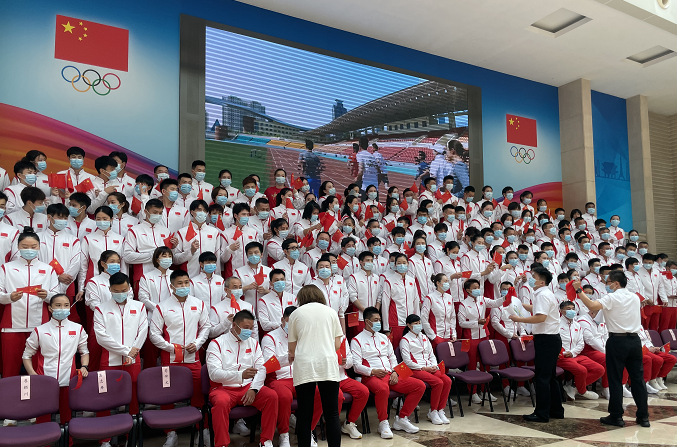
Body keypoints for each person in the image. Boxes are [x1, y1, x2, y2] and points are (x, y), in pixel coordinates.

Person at [572, 270, 650, 427]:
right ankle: (643, 417)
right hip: (634, 341)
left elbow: (591, 305)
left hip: (617, 340)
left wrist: (579, 290)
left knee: (615, 379)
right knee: (637, 379)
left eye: (608, 282)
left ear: (616, 283)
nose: (606, 285)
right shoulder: (634, 297)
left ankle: (616, 416)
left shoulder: (611, 297)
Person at [149, 269, 211, 447]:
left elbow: (206, 327)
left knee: (199, 395)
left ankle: (202, 430)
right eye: (180, 283)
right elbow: (154, 334)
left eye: (186, 282)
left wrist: (197, 343)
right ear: (172, 286)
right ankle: (171, 433)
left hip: (193, 358)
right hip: (170, 359)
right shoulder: (162, 307)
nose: (184, 286)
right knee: (167, 397)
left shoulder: (199, 304)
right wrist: (171, 347)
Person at [206, 309, 279, 447]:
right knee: (221, 402)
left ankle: (266, 441)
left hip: (248, 387)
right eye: (246, 327)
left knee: (271, 396)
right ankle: (222, 444)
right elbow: (214, 374)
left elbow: (261, 369)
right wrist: (240, 375)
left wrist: (254, 389)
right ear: (234, 325)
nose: (249, 331)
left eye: (251, 328)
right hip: (223, 388)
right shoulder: (216, 343)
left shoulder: (254, 343)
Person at [351, 307, 425, 438]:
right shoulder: (357, 340)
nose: (378, 322)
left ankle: (402, 418)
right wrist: (372, 371)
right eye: (375, 320)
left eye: (379, 320)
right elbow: (356, 366)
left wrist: (395, 371)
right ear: (367, 321)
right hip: (372, 376)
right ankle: (383, 423)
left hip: (390, 373)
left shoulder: (384, 338)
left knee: (419, 385)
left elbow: (392, 358)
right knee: (383, 389)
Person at [288, 285, 344, 447]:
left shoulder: (296, 314)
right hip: (327, 363)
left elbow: (292, 348)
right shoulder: (331, 312)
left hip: (304, 364)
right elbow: (337, 344)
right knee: (332, 413)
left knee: (304, 414)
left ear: (301, 297)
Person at [0, 227, 59, 378]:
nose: (29, 250)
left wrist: (47, 296)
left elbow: (57, 296)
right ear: (18, 247)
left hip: (39, 325)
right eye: (25, 247)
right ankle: (9, 393)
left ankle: (37, 393)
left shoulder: (48, 270)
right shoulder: (6, 268)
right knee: (10, 369)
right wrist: (9, 297)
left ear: (39, 247)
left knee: (37, 369)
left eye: (33, 247)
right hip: (12, 326)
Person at [22, 294, 89, 426]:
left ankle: (68, 438)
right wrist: (33, 374)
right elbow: (26, 356)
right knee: (43, 418)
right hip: (44, 380)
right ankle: (43, 438)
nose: (62, 308)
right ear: (50, 308)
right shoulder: (40, 330)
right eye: (58, 305)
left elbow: (84, 352)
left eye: (66, 305)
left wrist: (84, 366)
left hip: (68, 379)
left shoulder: (78, 329)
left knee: (67, 419)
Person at [509, 267, 564, 422]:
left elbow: (540, 317)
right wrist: (519, 305)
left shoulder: (542, 295)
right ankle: (556, 410)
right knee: (550, 376)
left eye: (534, 277)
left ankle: (542, 413)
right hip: (551, 339)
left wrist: (519, 319)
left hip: (546, 339)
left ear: (541, 282)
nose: (531, 279)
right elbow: (537, 309)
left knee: (542, 377)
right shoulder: (546, 293)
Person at [262, 306, 322, 447]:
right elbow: (268, 363)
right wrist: (288, 356)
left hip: (301, 376)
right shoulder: (270, 337)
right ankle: (284, 434)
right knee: (284, 396)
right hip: (278, 378)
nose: (293, 325)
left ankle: (308, 430)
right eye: (290, 321)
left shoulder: (305, 336)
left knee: (319, 393)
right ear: (283, 320)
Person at [93, 272, 147, 415]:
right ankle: (105, 428)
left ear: (129, 288)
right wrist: (126, 351)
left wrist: (132, 352)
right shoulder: (101, 309)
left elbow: (142, 331)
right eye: (116, 291)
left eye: (124, 290)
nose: (120, 294)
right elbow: (101, 337)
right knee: (105, 392)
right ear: (109, 289)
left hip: (133, 357)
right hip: (110, 358)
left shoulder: (139, 307)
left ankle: (133, 424)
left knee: (133, 392)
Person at [399, 314, 452, 424]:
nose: (418, 325)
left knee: (447, 381)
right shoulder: (405, 340)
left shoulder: (424, 337)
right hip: (415, 369)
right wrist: (423, 368)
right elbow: (407, 361)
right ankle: (433, 411)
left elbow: (431, 354)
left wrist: (434, 366)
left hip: (429, 367)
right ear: (409, 325)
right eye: (415, 323)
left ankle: (440, 410)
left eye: (419, 323)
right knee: (438, 382)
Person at [557, 301, 604, 400]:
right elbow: (555, 342)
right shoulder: (556, 324)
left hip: (575, 355)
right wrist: (565, 353)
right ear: (561, 311)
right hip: (562, 357)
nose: (571, 311)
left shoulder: (577, 325)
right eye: (568, 309)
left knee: (599, 369)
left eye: (573, 309)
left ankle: (574, 387)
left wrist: (573, 352)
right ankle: (583, 391)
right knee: (582, 370)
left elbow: (581, 343)